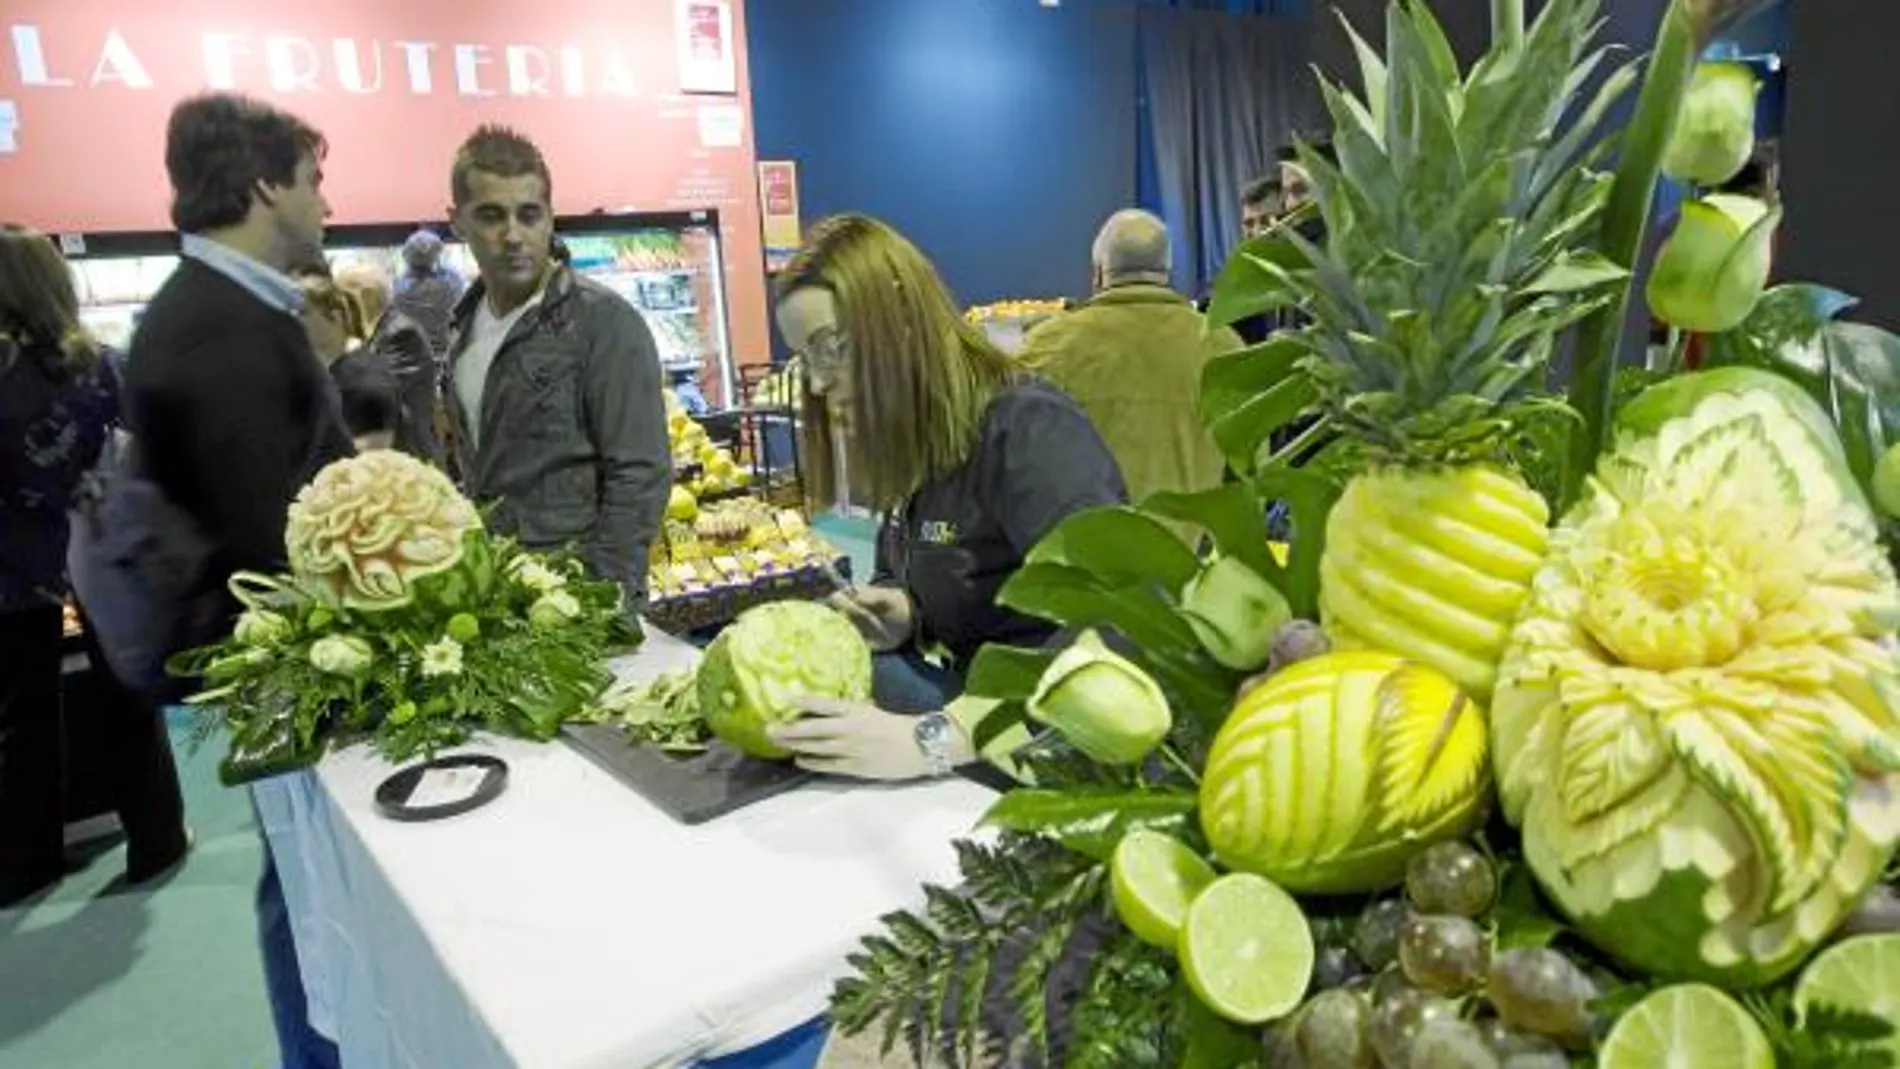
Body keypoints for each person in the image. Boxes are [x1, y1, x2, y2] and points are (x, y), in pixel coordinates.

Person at [126, 93, 352, 1069]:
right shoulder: (220, 333)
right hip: (280, 670)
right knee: (305, 887)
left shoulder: (218, 313)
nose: (326, 203)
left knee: (301, 879)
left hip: (273, 662)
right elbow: (274, 543)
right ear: (266, 185)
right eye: (314, 179)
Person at [767, 214, 1128, 781]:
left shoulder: (1029, 432)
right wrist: (909, 610)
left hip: (1063, 754)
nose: (816, 382)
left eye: (829, 348)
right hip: (984, 729)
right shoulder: (918, 439)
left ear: (902, 324)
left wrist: (935, 740)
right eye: (804, 358)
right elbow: (964, 578)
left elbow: (1113, 625)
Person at [0, 225, 188, 905]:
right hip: (109, 557)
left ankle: (26, 860)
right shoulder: (98, 364)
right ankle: (156, 838)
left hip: (19, 573)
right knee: (126, 700)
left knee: (20, 722)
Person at [444, 125, 670, 609]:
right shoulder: (460, 326)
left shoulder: (603, 322)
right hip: (496, 592)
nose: (512, 236)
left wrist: (602, 598)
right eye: (490, 216)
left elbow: (640, 471)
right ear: (456, 223)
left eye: (529, 215)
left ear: (550, 218)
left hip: (577, 596)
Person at [1020, 210, 1235, 510]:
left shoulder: (1046, 346)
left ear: (1097, 273)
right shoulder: (1223, 344)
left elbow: (1015, 467)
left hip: (1078, 549)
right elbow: (1250, 468)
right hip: (1188, 550)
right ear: (1168, 271)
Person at [298, 264, 400, 452]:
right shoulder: (333, 369)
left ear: (335, 316)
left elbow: (372, 455)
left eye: (303, 313)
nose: (293, 321)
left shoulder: (365, 379)